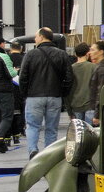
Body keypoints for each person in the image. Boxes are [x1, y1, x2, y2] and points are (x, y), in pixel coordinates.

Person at [19, 27, 73, 157]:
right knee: (52, 129)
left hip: (34, 96)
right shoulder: (62, 54)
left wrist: (25, 93)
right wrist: (63, 92)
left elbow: (23, 77)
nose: (35, 39)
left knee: (32, 126)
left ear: (42, 37)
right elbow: (69, 77)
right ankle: (49, 155)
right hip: (55, 96)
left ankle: (33, 150)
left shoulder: (31, 55)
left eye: (36, 36)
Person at [66, 43, 97, 124]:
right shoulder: (94, 67)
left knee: (79, 133)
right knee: (90, 133)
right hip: (90, 105)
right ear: (88, 54)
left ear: (75, 54)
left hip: (75, 105)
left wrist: (69, 111)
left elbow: (67, 90)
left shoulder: (71, 68)